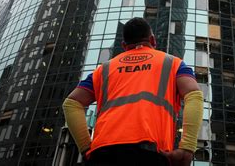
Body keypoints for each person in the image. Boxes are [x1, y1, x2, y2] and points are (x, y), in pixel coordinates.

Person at [62, 17, 203, 166]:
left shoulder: (104, 69)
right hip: (150, 154)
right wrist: (187, 147)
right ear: (153, 40)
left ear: (124, 45)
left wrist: (86, 148)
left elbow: (71, 103)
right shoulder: (173, 63)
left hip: (103, 153)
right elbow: (194, 95)